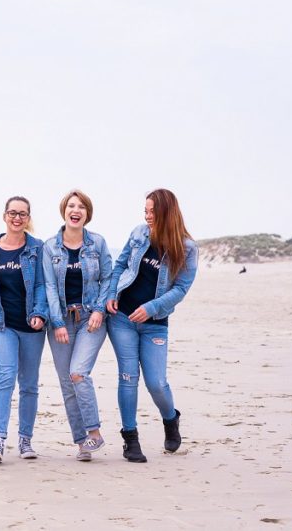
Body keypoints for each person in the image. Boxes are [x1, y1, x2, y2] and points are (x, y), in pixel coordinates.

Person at [105, 188, 198, 463]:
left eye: (152, 211)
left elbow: (181, 289)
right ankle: (130, 439)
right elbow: (120, 265)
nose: (147, 216)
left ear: (166, 212)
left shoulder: (187, 248)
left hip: (155, 324)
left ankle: (171, 419)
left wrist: (151, 308)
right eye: (145, 211)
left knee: (156, 383)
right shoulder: (138, 233)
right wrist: (111, 293)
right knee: (128, 377)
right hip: (122, 318)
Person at [42, 189, 112, 462]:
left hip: (89, 319)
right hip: (60, 322)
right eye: (71, 205)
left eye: (81, 206)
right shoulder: (50, 246)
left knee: (78, 373)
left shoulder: (98, 243)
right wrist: (57, 321)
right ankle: (82, 443)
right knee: (66, 383)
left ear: (87, 213)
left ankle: (94, 432)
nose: (76, 210)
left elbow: (108, 278)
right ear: (64, 211)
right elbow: (49, 285)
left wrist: (98, 310)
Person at [0, 196, 48, 463]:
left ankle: (25, 441)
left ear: (28, 218)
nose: (17, 218)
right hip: (2, 325)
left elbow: (42, 284)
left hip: (32, 326)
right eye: (12, 213)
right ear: (4, 215)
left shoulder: (37, 248)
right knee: (4, 378)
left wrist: (40, 313)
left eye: (22, 214)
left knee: (29, 385)